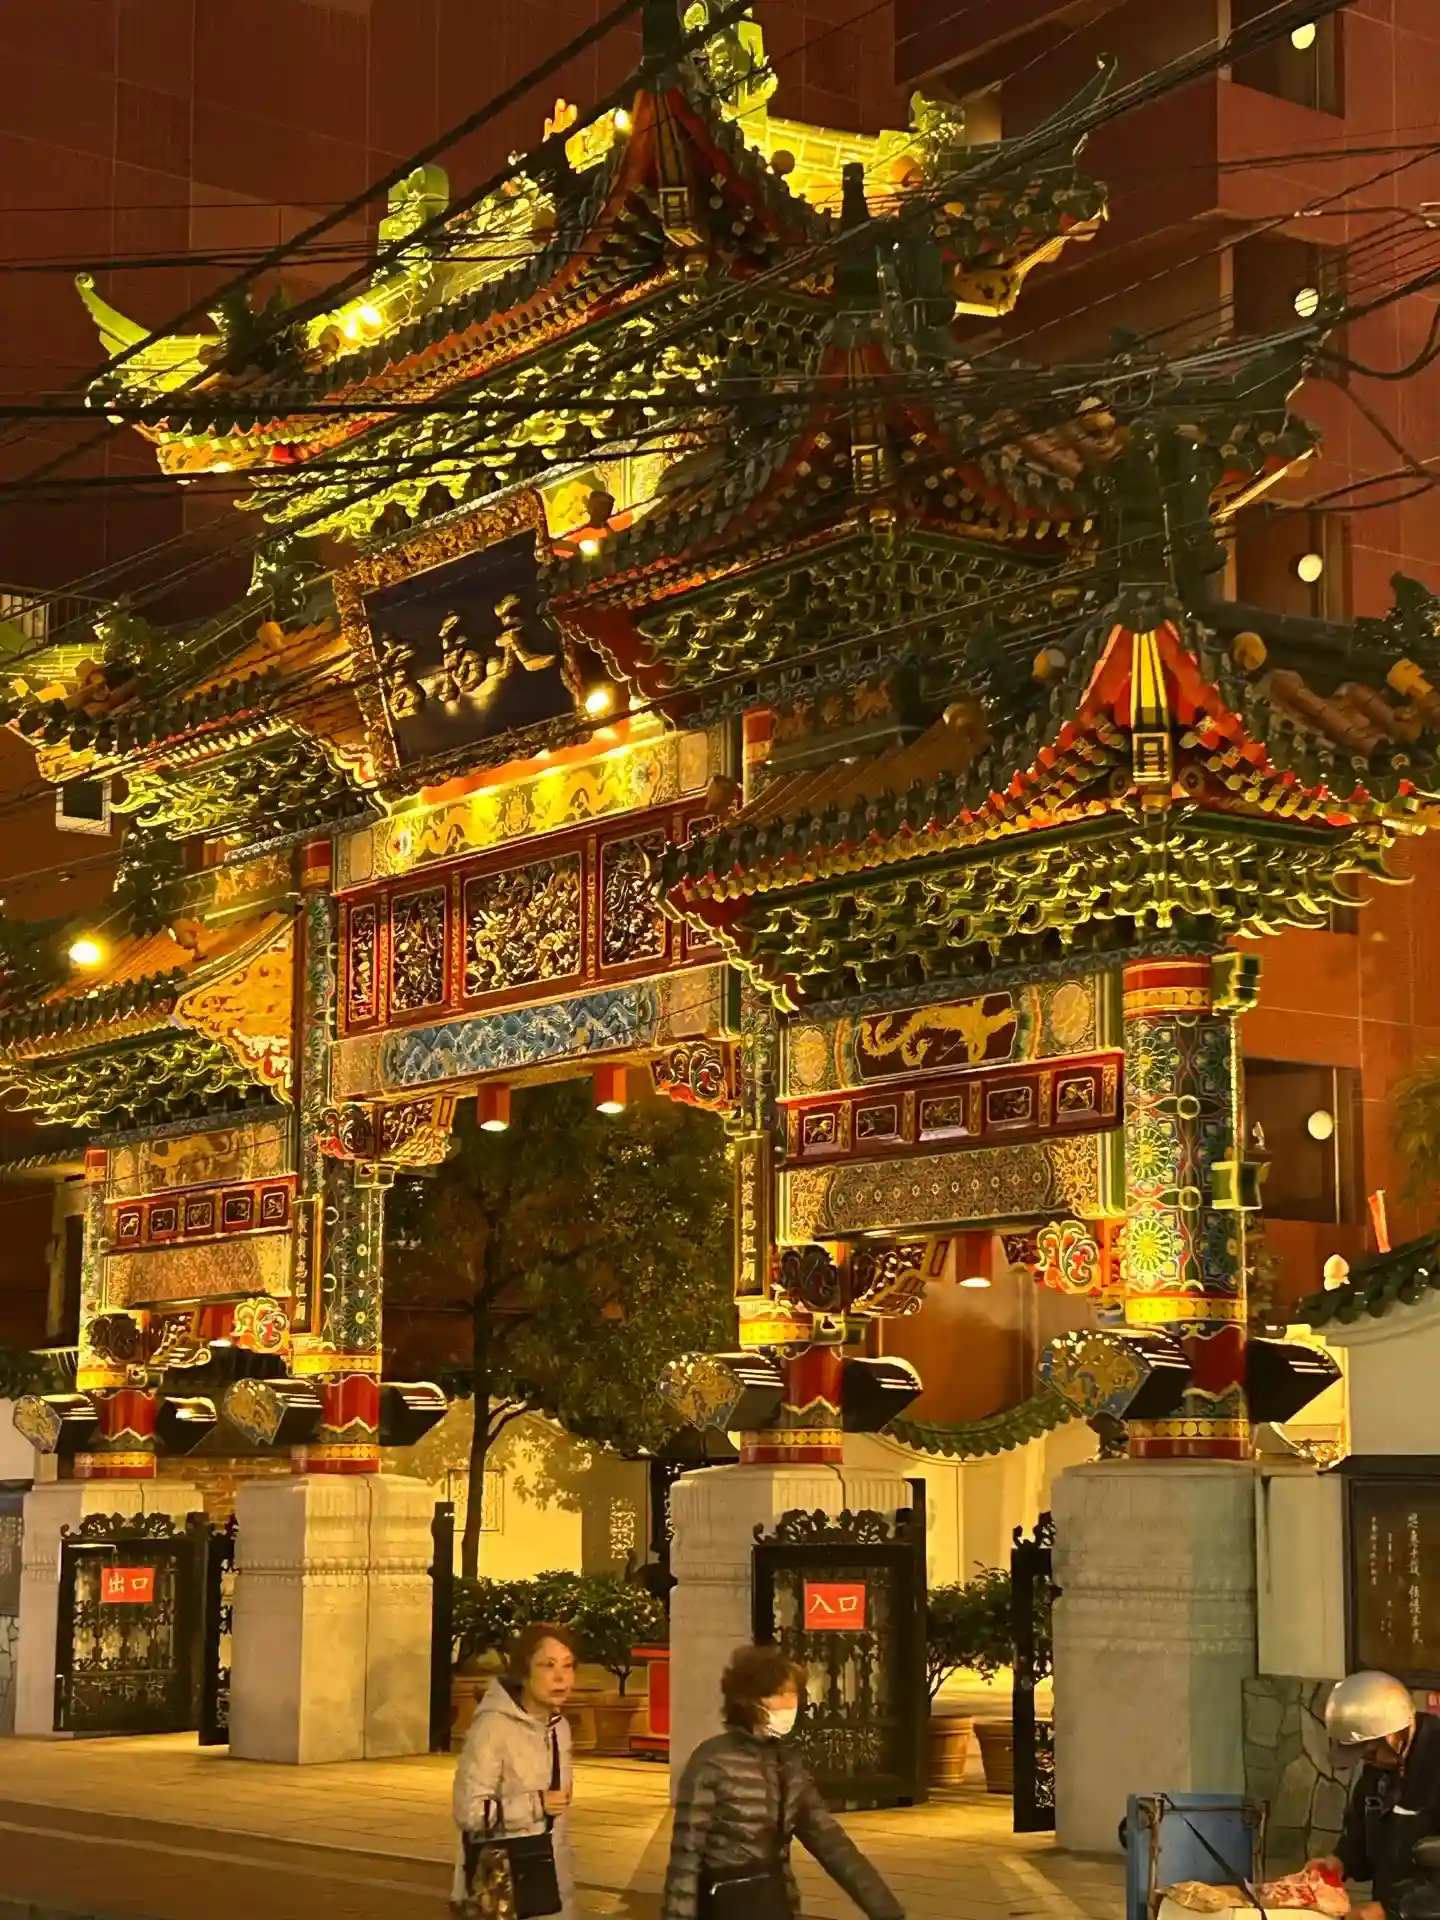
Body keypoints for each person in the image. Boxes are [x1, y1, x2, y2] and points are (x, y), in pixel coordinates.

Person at [661, 1643, 904, 1920]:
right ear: (749, 1700)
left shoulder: (788, 1764)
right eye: (778, 1694)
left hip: (774, 1897)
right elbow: (686, 1857)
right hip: (725, 1901)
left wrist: (886, 1910)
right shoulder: (712, 1761)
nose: (789, 1703)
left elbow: (830, 1841)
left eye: (793, 1694)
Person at [452, 1621, 577, 1919]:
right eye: (548, 1665)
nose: (561, 1677)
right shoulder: (492, 1727)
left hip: (551, 1881)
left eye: (568, 1666)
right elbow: (468, 1811)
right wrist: (536, 1804)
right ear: (524, 1671)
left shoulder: (559, 1728)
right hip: (503, 1884)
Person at [1305, 1670, 1440, 1920]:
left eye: (1369, 1752)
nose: (1367, 1762)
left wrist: (1388, 1910)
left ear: (1392, 1736)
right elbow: (1360, 1830)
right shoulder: (1379, 1769)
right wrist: (1338, 1862)